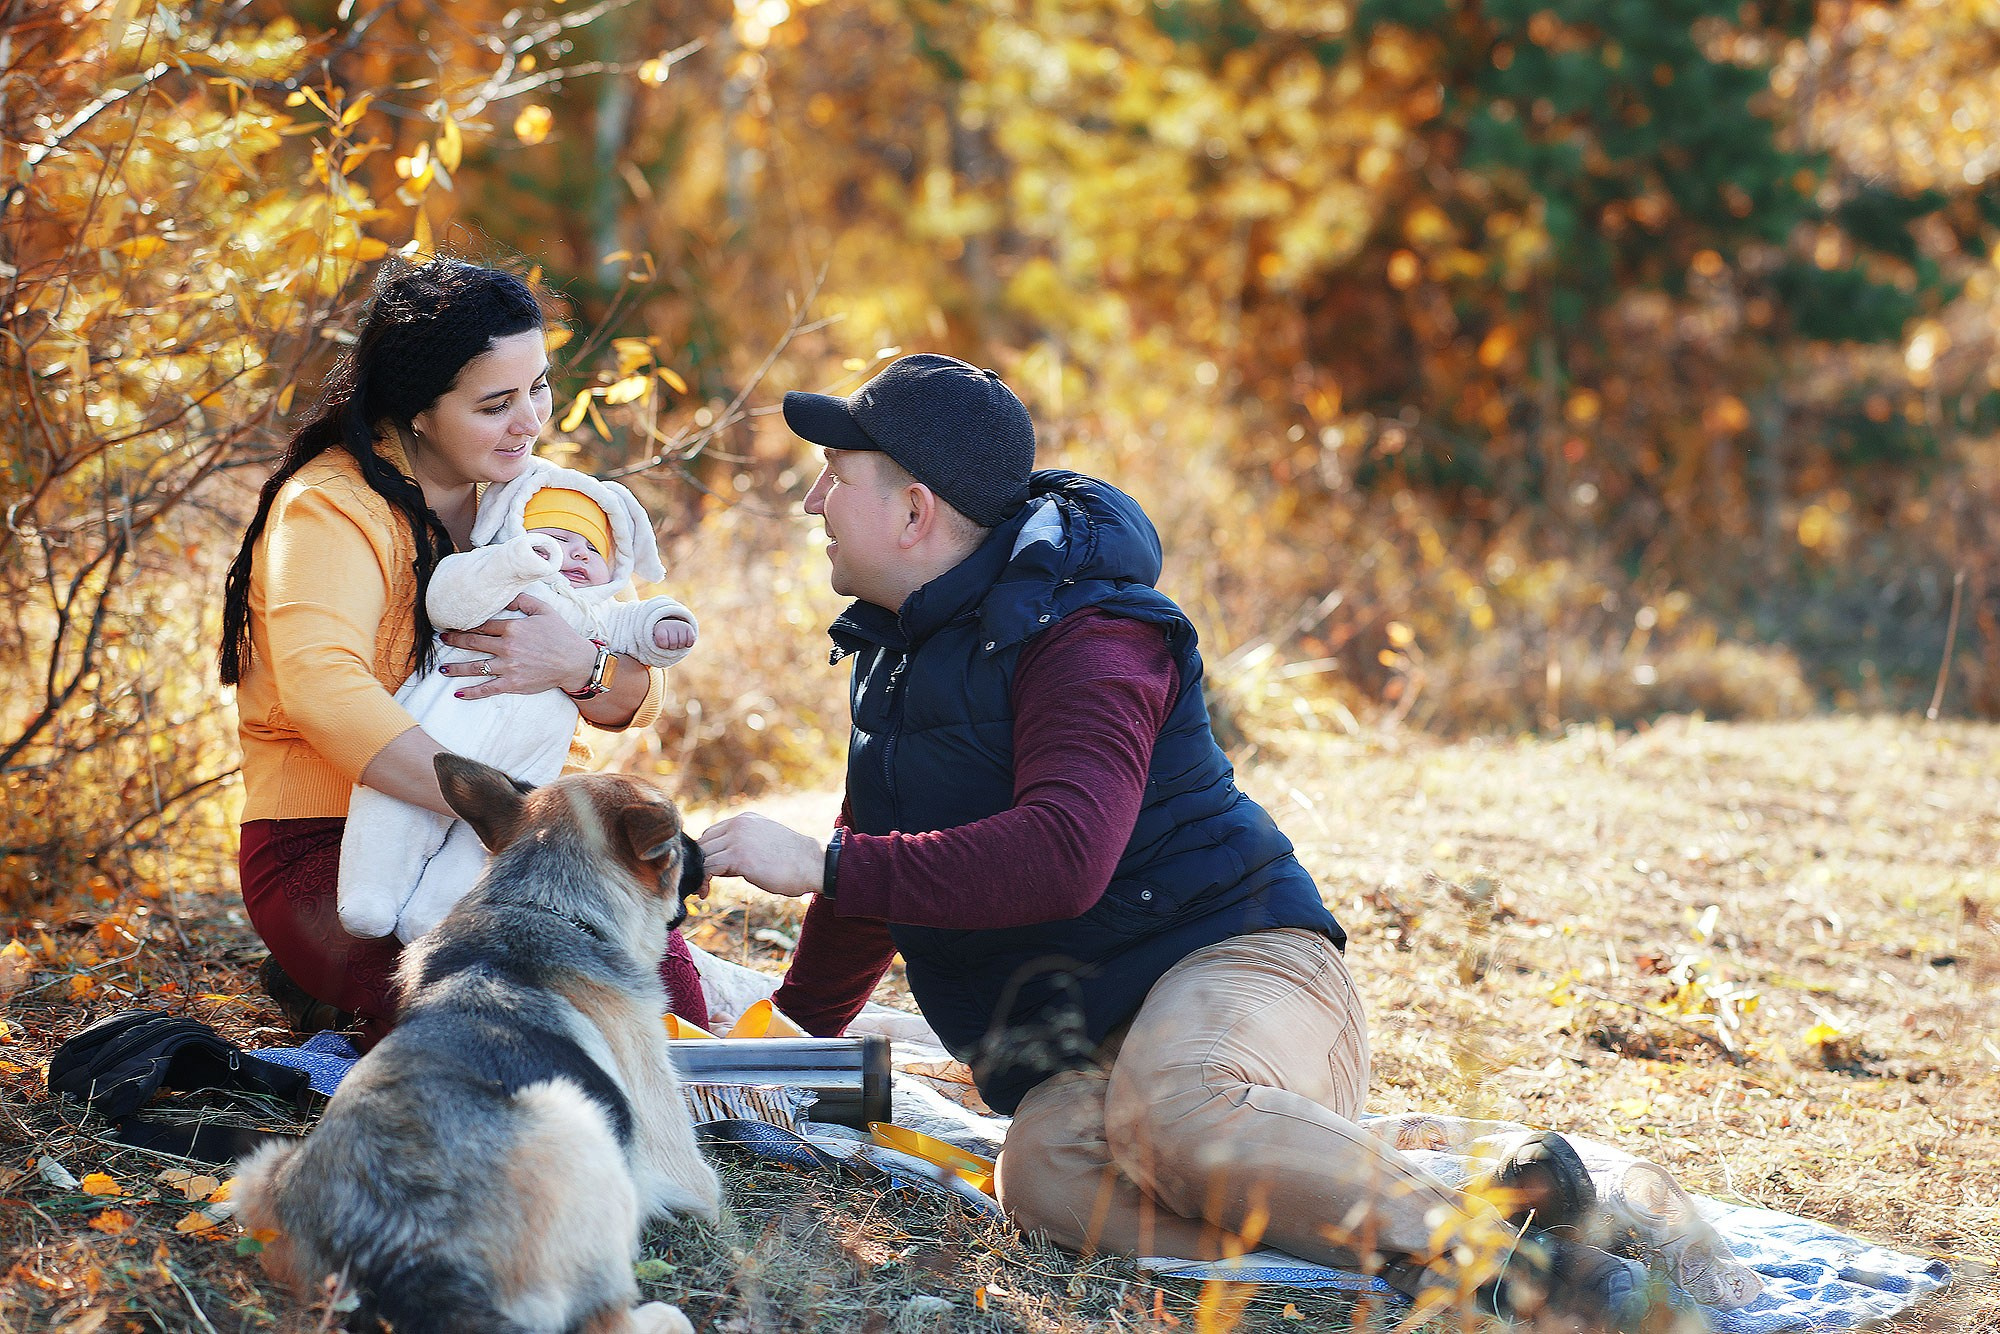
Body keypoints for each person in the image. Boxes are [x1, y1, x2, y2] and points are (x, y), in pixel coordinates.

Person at [697, 354, 1658, 1325]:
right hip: (1096, 1047)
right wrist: (781, 1049)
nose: (813, 498)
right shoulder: (892, 657)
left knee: (1173, 1108)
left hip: (1243, 964)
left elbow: (1064, 850)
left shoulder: (1092, 630)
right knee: (1038, 1174)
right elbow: (875, 875)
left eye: (835, 474)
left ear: (913, 512)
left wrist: (820, 862)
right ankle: (1442, 1238)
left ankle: (1522, 1278)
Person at [218, 257, 707, 1046]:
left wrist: (572, 664)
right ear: (418, 410)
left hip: (503, 836)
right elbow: (322, 687)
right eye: (495, 404)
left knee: (673, 1014)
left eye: (539, 387)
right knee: (516, 1022)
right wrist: (512, 813)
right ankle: (332, 981)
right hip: (330, 843)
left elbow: (627, 699)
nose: (530, 422)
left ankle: (342, 996)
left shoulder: (530, 500)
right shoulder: (332, 507)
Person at [336, 458, 699, 945]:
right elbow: (448, 598)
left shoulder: (598, 607)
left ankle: (438, 918)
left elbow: (641, 662)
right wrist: (512, 564)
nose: (572, 554)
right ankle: (369, 896)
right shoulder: (497, 574)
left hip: (528, 769)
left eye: (590, 548)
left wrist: (664, 627)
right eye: (556, 538)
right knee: (394, 817)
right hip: (432, 740)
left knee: (480, 856)